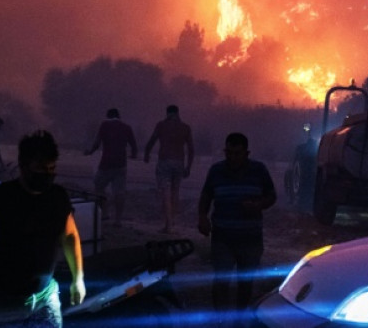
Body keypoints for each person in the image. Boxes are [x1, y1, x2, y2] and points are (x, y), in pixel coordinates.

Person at [0, 129, 85, 327]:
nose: (47, 175)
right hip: (0, 303)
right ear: (23, 166)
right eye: (40, 169)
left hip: (45, 297)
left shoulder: (58, 197)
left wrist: (78, 278)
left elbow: (70, 236)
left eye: (51, 169)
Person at [198, 132, 276, 325]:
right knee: (221, 280)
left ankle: (239, 319)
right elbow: (206, 195)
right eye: (229, 153)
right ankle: (221, 320)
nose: (232, 158)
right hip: (223, 236)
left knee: (245, 282)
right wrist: (202, 217)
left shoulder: (259, 170)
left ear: (246, 153)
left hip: (250, 237)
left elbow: (271, 196)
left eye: (237, 153)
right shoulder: (216, 171)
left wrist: (259, 205)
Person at [144, 104, 195, 233]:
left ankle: (169, 224)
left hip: (165, 161)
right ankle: (172, 221)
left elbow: (151, 141)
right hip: (179, 162)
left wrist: (146, 154)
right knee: (175, 192)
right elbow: (191, 149)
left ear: (167, 113)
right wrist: (188, 166)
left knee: (166, 193)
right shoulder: (185, 128)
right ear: (178, 114)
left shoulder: (161, 125)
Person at [86, 108, 139, 226]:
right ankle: (118, 220)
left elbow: (97, 143)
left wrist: (90, 151)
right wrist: (133, 155)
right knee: (119, 192)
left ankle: (105, 212)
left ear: (108, 116)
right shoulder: (126, 127)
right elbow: (134, 147)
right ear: (119, 117)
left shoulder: (104, 125)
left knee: (98, 186)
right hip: (121, 165)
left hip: (106, 163)